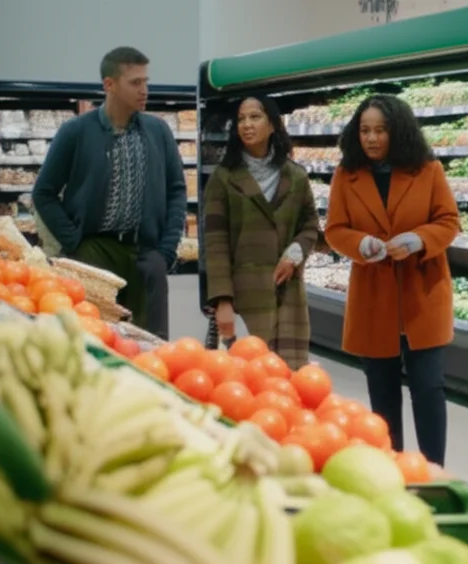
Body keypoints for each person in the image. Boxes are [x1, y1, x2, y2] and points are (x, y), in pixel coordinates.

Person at [324, 94, 460, 466]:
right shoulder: (346, 175)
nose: (371, 138)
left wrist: (420, 240)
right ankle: (390, 467)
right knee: (382, 394)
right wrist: (359, 243)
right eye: (365, 130)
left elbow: (449, 222)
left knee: (429, 390)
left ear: (398, 131)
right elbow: (335, 229)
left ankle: (433, 473)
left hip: (423, 295)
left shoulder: (428, 170)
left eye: (380, 130)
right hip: (374, 296)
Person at [32, 46, 186, 339]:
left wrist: (165, 252)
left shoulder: (158, 131)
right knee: (95, 339)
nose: (144, 90)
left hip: (147, 256)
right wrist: (74, 241)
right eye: (135, 82)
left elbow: (176, 191)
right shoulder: (75, 132)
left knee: (151, 344)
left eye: (146, 81)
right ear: (109, 85)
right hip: (93, 254)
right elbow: (44, 192)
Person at [202, 96, 319, 369]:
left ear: (273, 124)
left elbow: (310, 224)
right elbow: (215, 245)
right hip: (244, 297)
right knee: (245, 381)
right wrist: (222, 302)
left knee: (288, 381)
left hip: (288, 296)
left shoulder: (296, 177)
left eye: (255, 117)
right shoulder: (223, 179)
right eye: (241, 119)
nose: (246, 125)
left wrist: (296, 251)